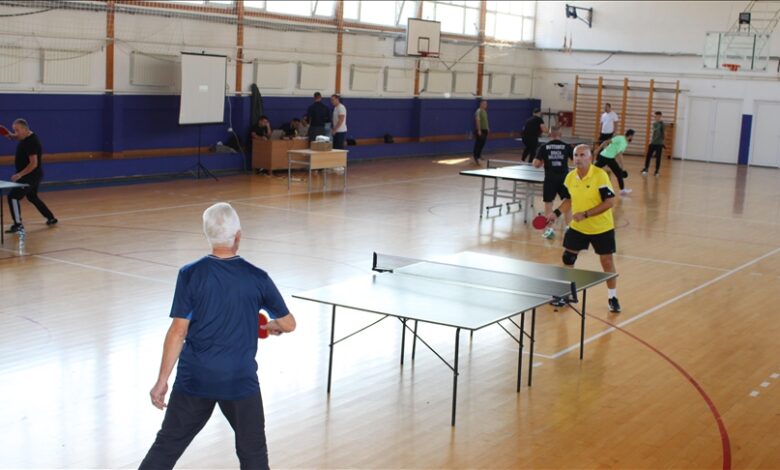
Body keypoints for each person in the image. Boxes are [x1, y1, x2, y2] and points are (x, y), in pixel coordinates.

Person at [139, 202, 296, 470]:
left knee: (166, 447)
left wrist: (162, 381)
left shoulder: (190, 274)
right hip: (239, 380)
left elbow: (178, 331)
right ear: (238, 235)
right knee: (253, 454)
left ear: (208, 235)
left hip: (194, 377)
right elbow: (289, 324)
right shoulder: (257, 278)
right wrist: (272, 326)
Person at [547, 144, 621, 313]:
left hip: (601, 227)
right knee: (568, 259)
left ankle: (613, 297)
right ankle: (566, 295)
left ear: (590, 158)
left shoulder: (600, 175)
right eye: (575, 155)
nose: (578, 158)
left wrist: (586, 214)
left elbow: (609, 202)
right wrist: (556, 213)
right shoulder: (570, 177)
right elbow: (569, 199)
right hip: (578, 227)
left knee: (607, 262)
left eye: (582, 155)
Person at [3, 118, 57, 234]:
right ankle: (51, 218)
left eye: (17, 130)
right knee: (32, 197)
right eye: (14, 130)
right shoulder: (26, 136)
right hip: (34, 175)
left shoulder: (32, 142)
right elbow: (18, 136)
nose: (16, 133)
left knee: (13, 197)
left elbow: (33, 164)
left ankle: (18, 225)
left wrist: (19, 175)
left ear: (24, 129)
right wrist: (11, 135)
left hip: (30, 175)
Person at [533, 125, 573, 239]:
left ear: (549, 135)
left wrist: (541, 162)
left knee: (548, 205)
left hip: (550, 179)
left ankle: (549, 231)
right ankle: (569, 229)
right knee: (567, 203)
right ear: (560, 135)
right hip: (565, 179)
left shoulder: (544, 147)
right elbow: (576, 161)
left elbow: (536, 164)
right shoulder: (566, 146)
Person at [595, 129, 634, 195]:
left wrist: (621, 166)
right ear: (630, 136)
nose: (633, 138)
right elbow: (605, 142)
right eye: (633, 136)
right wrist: (597, 150)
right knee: (593, 170)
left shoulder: (625, 143)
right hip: (604, 156)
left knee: (619, 174)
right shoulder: (619, 138)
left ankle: (622, 190)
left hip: (610, 158)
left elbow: (619, 153)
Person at [642, 111, 665, 176]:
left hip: (659, 144)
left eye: (657, 116)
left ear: (660, 116)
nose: (656, 117)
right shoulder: (654, 124)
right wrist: (652, 141)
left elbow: (661, 134)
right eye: (655, 116)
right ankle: (646, 169)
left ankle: (657, 171)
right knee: (648, 155)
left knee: (658, 157)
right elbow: (655, 133)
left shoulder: (662, 124)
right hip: (653, 143)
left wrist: (662, 142)